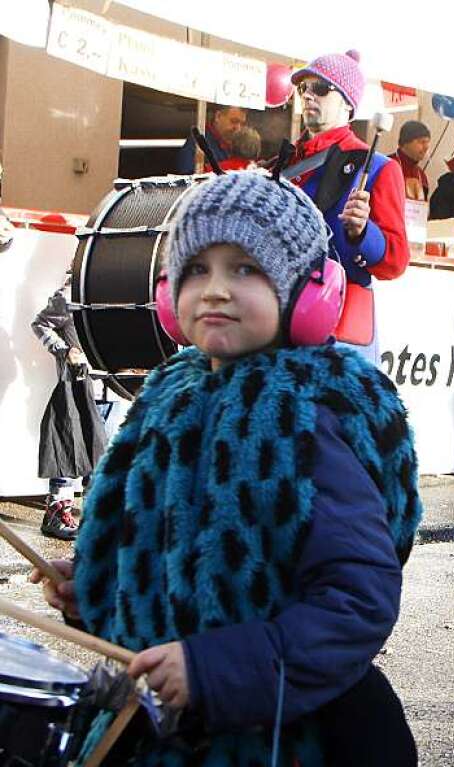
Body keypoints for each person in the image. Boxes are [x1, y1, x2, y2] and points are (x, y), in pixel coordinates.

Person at [32, 171, 422, 765]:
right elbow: (160, 554)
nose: (215, 289)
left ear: (309, 291)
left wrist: (214, 668)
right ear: (167, 293)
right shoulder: (168, 394)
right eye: (195, 269)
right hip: (161, 728)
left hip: (277, 740)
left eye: (245, 268)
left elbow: (357, 601)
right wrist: (96, 587)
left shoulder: (308, 416)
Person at [289, 51, 410, 364]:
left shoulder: (379, 168)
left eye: (321, 89)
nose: (308, 96)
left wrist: (362, 232)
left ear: (347, 102)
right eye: (304, 89)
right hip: (279, 321)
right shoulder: (283, 164)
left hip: (337, 330)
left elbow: (395, 261)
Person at [31, 276, 107, 539]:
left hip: (112, 388)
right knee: (69, 445)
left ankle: (97, 519)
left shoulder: (123, 295)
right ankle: (56, 513)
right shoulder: (70, 294)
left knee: (104, 456)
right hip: (78, 385)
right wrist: (64, 350)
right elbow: (40, 324)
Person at [174, 105, 247, 174]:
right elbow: (187, 177)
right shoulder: (198, 143)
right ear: (218, 116)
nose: (238, 128)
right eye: (234, 121)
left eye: (242, 124)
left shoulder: (240, 143)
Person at [390, 120, 431, 201]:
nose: (426, 147)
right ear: (405, 142)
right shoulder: (388, 165)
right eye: (421, 142)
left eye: (428, 142)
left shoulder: (421, 175)